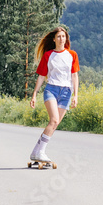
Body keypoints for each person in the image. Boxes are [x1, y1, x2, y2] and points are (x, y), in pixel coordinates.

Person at [29, 26, 79, 162]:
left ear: (66, 39)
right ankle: (41, 152)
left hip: (67, 92)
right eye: (58, 36)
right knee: (54, 120)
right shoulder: (48, 55)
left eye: (63, 36)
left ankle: (36, 152)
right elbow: (41, 77)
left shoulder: (72, 55)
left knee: (55, 124)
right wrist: (34, 94)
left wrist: (75, 96)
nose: (61, 39)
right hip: (51, 89)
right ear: (54, 39)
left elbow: (74, 76)